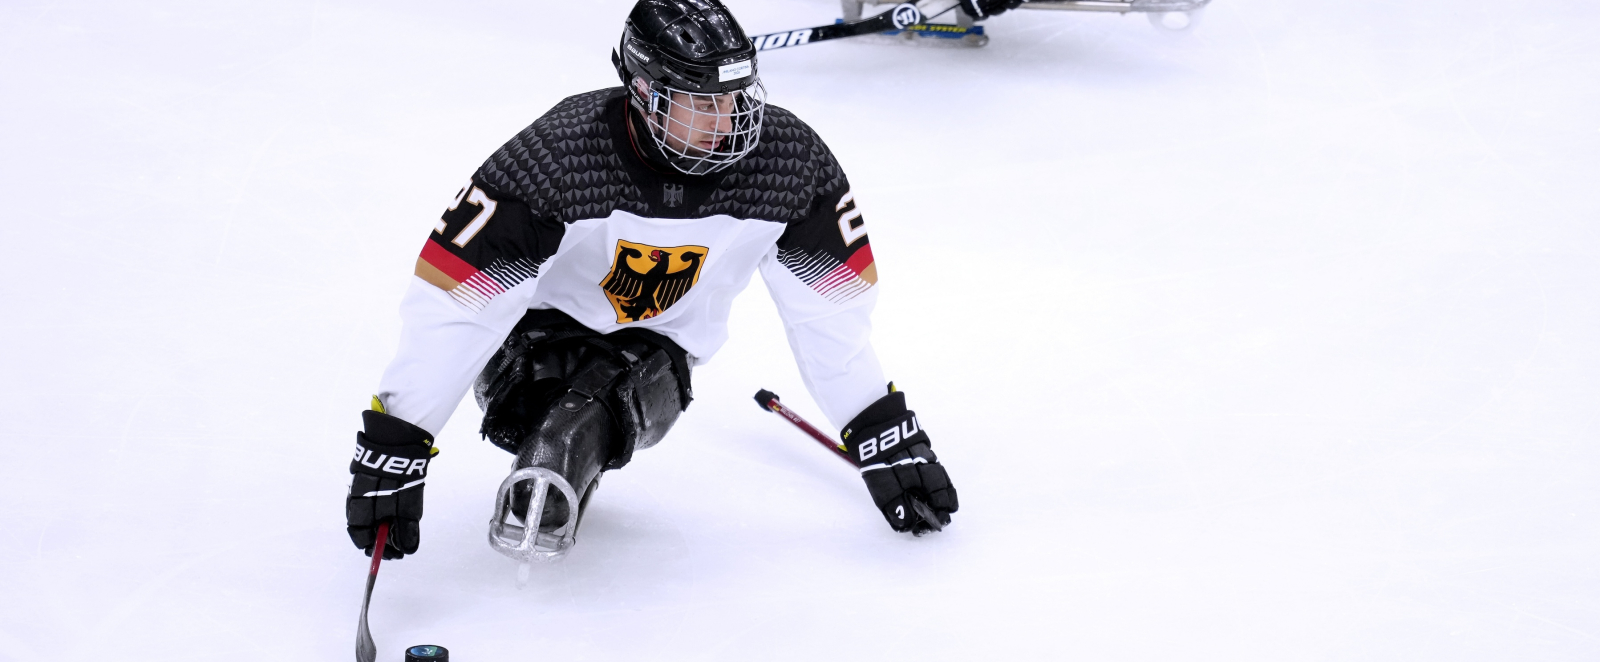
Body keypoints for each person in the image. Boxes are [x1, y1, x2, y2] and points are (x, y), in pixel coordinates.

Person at [344, 0, 959, 562]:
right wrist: (400, 439)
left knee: (619, 389)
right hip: (527, 338)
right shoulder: (558, 158)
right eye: (702, 104)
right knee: (554, 400)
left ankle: (569, 455)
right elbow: (456, 304)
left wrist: (878, 426)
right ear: (643, 92)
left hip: (658, 351)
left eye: (738, 98)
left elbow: (829, 313)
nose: (731, 122)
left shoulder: (790, 166)